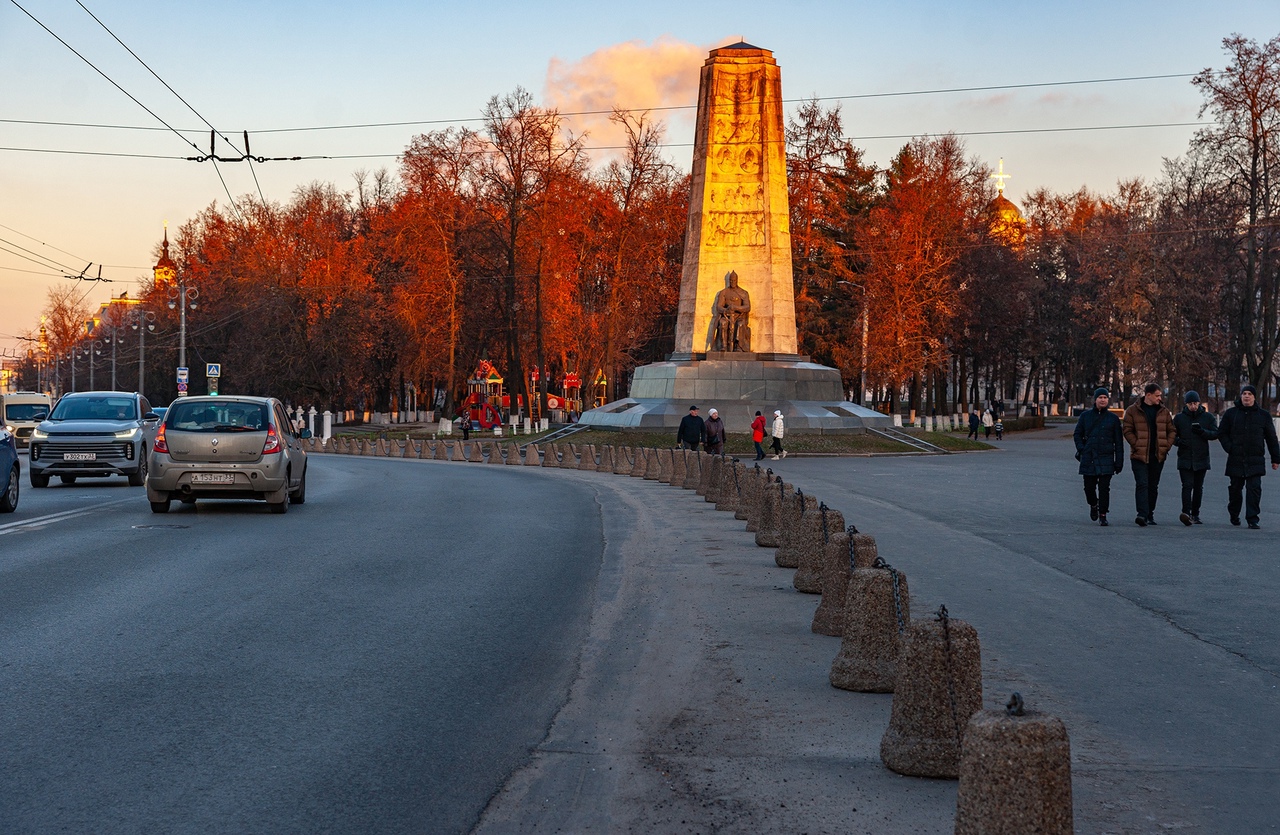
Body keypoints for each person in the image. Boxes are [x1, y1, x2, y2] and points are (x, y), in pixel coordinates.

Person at [1217, 384, 1280, 528]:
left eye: (1249, 394)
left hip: (1255, 459)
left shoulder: (1263, 415)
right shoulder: (1231, 414)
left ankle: (1253, 519)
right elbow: (1222, 433)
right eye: (1244, 393)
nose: (1246, 396)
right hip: (1236, 458)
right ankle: (1234, 514)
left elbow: (1271, 437)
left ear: (1254, 397)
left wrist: (1276, 458)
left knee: (1254, 489)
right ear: (1241, 396)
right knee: (1235, 490)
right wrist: (1229, 448)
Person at [1122, 383, 1176, 527]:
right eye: (1157, 395)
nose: (1160, 398)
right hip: (1139, 455)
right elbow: (1127, 430)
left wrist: (1166, 446)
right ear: (1148, 395)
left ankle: (1150, 514)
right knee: (1142, 484)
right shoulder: (1133, 411)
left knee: (1153, 486)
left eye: (1160, 395)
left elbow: (1172, 430)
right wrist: (1136, 444)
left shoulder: (1164, 411)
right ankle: (1142, 514)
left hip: (1157, 455)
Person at [1074, 387, 1124, 526]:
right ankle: (1093, 504)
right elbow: (1077, 434)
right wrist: (1081, 449)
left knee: (1104, 488)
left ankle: (1103, 514)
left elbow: (1119, 442)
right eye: (1100, 397)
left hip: (1106, 456)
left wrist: (1119, 462)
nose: (1103, 400)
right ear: (1095, 400)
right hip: (1089, 456)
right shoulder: (1085, 416)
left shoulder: (1113, 419)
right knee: (1088, 487)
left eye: (1105, 398)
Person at [1172, 390, 1218, 525]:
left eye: (1195, 403)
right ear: (1186, 404)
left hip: (1201, 456)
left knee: (1198, 487)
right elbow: (1172, 435)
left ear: (1199, 403)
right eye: (1190, 403)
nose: (1193, 406)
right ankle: (1186, 512)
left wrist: (1203, 432)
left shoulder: (1208, 417)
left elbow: (1215, 433)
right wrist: (1179, 442)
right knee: (1187, 485)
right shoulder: (1179, 418)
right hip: (1185, 456)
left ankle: (1195, 513)